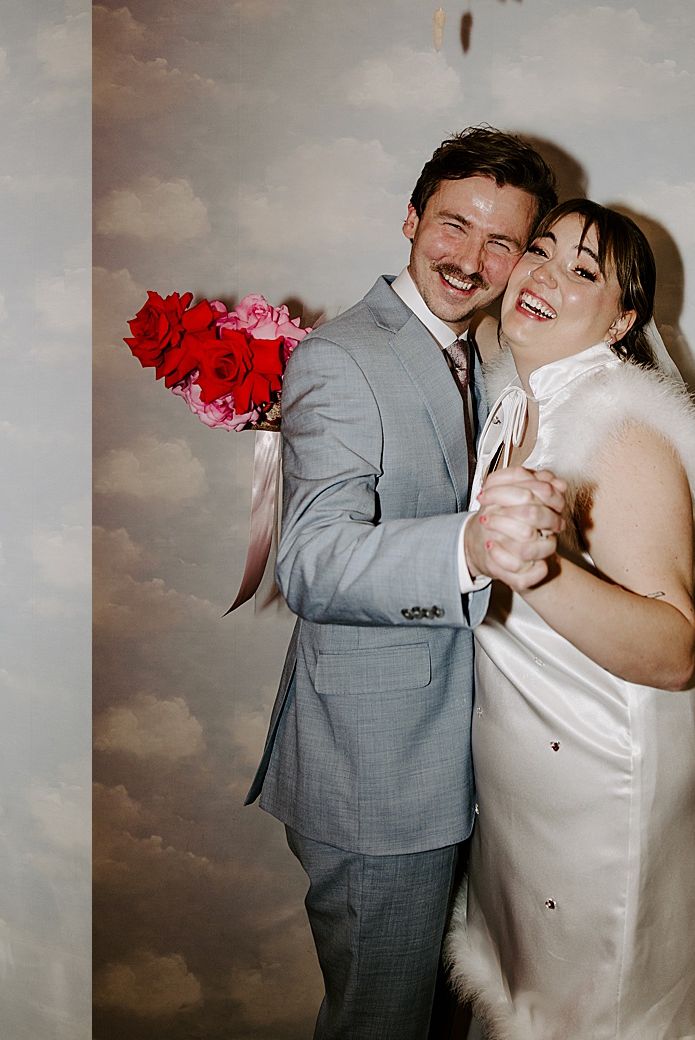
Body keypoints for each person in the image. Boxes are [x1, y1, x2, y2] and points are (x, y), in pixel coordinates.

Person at [246, 127, 566, 1040]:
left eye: (502, 241)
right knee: (382, 1022)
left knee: (437, 1014)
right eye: (454, 226)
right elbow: (309, 560)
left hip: (463, 755)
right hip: (375, 768)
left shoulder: (492, 356)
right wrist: (473, 547)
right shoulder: (342, 356)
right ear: (411, 218)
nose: (471, 259)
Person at [446, 201, 695, 1037]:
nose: (542, 274)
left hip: (598, 793)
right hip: (526, 792)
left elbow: (672, 649)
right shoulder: (520, 405)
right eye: (540, 251)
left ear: (624, 319)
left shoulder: (621, 428)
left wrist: (537, 568)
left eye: (583, 270)